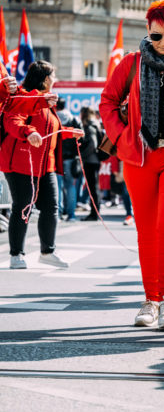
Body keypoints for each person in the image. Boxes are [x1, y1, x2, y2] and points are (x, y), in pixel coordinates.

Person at [100, 0, 164, 329]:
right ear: (147, 30)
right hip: (140, 156)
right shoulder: (131, 63)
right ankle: (150, 299)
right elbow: (107, 102)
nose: (163, 43)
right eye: (156, 35)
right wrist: (121, 138)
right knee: (147, 230)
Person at [3, 61, 82, 269]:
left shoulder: (46, 101)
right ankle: (16, 254)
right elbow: (12, 121)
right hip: (21, 164)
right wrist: (28, 132)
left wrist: (69, 133)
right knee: (23, 207)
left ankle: (48, 252)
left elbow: (49, 131)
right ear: (46, 79)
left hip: (46, 166)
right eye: (54, 75)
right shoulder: (25, 98)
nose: (55, 79)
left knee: (51, 207)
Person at [55, 99, 82, 221]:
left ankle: (58, 214)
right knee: (70, 186)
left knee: (58, 187)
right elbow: (81, 137)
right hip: (71, 158)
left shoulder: (54, 118)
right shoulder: (73, 119)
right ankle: (72, 215)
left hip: (57, 157)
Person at [78, 107, 102, 220]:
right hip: (94, 160)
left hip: (91, 160)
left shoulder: (90, 125)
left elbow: (93, 143)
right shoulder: (95, 124)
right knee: (93, 187)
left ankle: (94, 213)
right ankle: (95, 212)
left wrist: (83, 154)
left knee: (93, 187)